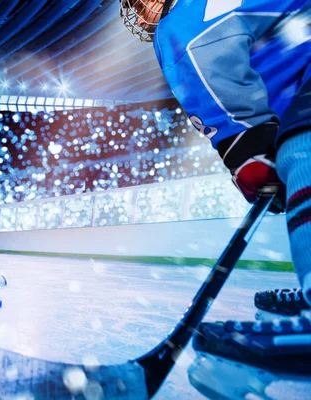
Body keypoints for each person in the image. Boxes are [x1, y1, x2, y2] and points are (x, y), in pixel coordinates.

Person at [120, 0, 311, 389]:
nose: (139, 11)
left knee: (302, 149)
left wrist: (246, 153)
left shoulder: (179, 23)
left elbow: (207, 73)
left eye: (140, 1)